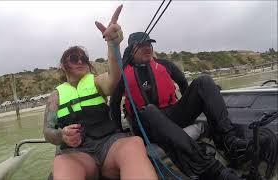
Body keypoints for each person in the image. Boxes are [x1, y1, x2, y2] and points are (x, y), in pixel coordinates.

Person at [109, 32, 277, 179]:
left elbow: (184, 85)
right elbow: (115, 103)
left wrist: (194, 104)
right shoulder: (123, 73)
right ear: (131, 50)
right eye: (141, 45)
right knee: (150, 111)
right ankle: (212, 170)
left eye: (149, 45)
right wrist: (118, 131)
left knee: (204, 81)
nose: (147, 48)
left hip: (172, 114)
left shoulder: (164, 65)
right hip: (147, 125)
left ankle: (229, 141)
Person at [43, 7, 157, 180]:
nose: (81, 61)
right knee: (62, 162)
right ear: (63, 65)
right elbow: (47, 131)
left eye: (84, 58)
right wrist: (62, 135)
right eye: (74, 58)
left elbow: (113, 78)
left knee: (133, 144)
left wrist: (113, 45)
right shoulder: (55, 97)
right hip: (77, 153)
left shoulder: (96, 81)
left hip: (109, 145)